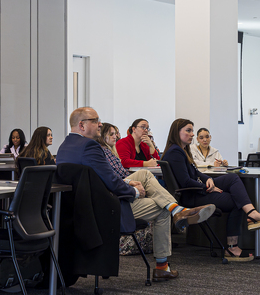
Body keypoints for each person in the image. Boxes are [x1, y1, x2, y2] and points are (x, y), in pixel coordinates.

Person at [57, 108, 185, 281]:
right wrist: (133, 191)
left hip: (84, 207)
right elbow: (110, 181)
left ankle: (176, 209)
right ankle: (162, 266)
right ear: (81, 124)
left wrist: (127, 182)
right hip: (107, 207)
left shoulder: (65, 146)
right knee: (162, 209)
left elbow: (97, 179)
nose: (100, 124)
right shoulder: (90, 146)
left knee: (145, 175)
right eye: (95, 120)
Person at [162, 118, 260, 262]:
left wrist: (207, 179)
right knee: (236, 201)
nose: (192, 134)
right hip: (191, 195)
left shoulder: (183, 150)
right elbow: (185, 181)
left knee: (233, 178)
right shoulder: (175, 152)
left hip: (195, 190)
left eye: (192, 130)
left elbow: (195, 172)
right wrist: (207, 188)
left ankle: (252, 213)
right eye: (188, 131)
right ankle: (232, 247)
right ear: (176, 132)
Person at [97, 121, 215, 236]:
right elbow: (124, 164)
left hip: (131, 179)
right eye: (143, 127)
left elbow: (158, 159)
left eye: (147, 128)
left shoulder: (142, 144)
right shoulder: (121, 143)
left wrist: (151, 145)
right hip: (125, 184)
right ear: (133, 129)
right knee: (153, 181)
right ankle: (176, 210)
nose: (146, 130)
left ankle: (164, 252)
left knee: (163, 197)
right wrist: (143, 166)